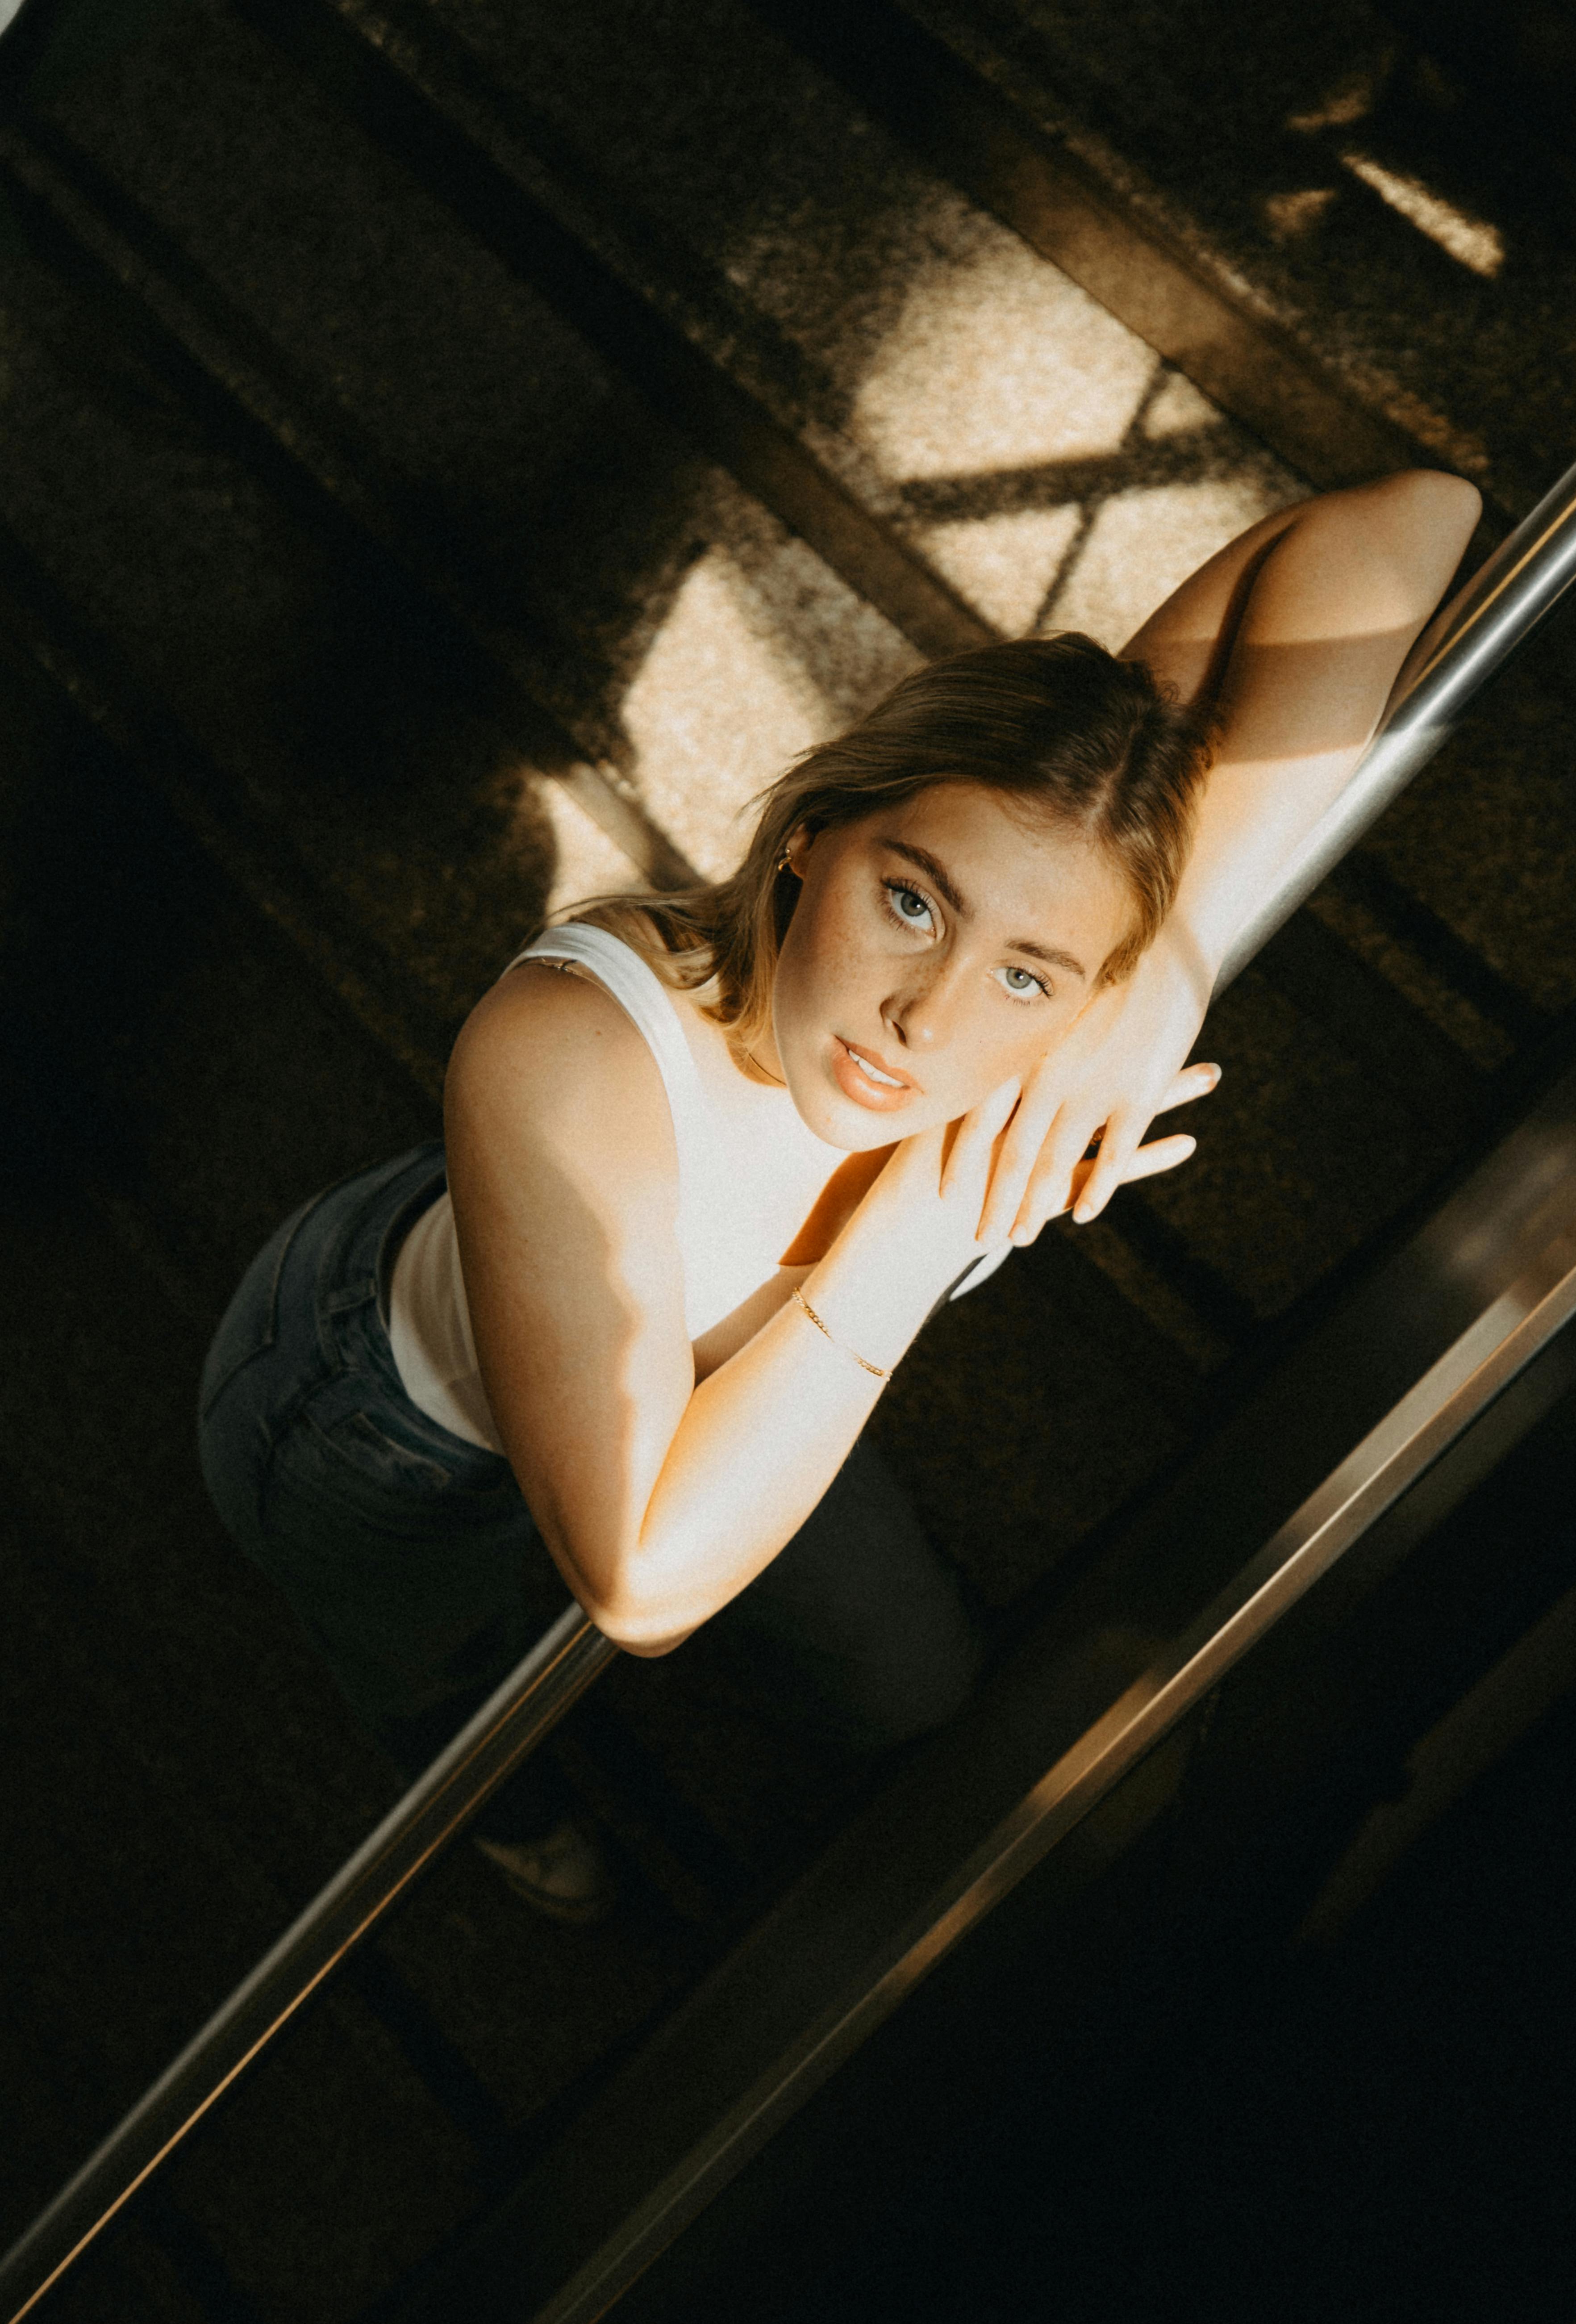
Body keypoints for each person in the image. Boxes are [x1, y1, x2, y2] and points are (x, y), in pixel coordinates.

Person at [199, 470, 1482, 1922]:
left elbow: (1420, 517)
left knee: (913, 1685)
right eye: (914, 900)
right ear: (816, 831)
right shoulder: (567, 1048)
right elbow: (637, 1584)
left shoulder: (1085, 937)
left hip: (768, 1369)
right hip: (388, 1427)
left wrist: (1172, 964)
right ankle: (496, 1800)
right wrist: (915, 1230)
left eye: (1026, 973)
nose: (926, 1024)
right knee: (423, 1664)